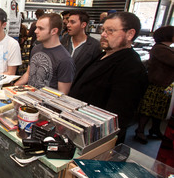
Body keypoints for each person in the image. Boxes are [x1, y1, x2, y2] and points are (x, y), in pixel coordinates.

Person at [69, 12, 148, 145]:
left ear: (130, 34)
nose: (104, 35)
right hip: (77, 129)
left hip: (93, 139)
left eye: (110, 31)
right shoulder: (103, 55)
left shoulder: (131, 67)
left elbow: (117, 118)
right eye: (103, 30)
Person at [15, 13, 75, 94]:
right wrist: (13, 88)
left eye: (41, 28)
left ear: (54, 31)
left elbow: (62, 94)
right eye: (36, 27)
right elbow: (29, 73)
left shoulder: (65, 60)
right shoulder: (36, 49)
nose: (36, 31)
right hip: (29, 98)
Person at [134, 26, 174, 144]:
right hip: (156, 84)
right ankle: (140, 131)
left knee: (161, 109)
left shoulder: (166, 49)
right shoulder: (160, 49)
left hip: (167, 85)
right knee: (148, 108)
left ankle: (155, 129)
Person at [60, 10, 102, 77]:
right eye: (68, 22)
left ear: (83, 25)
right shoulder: (64, 41)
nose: (68, 25)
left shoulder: (94, 46)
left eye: (72, 22)